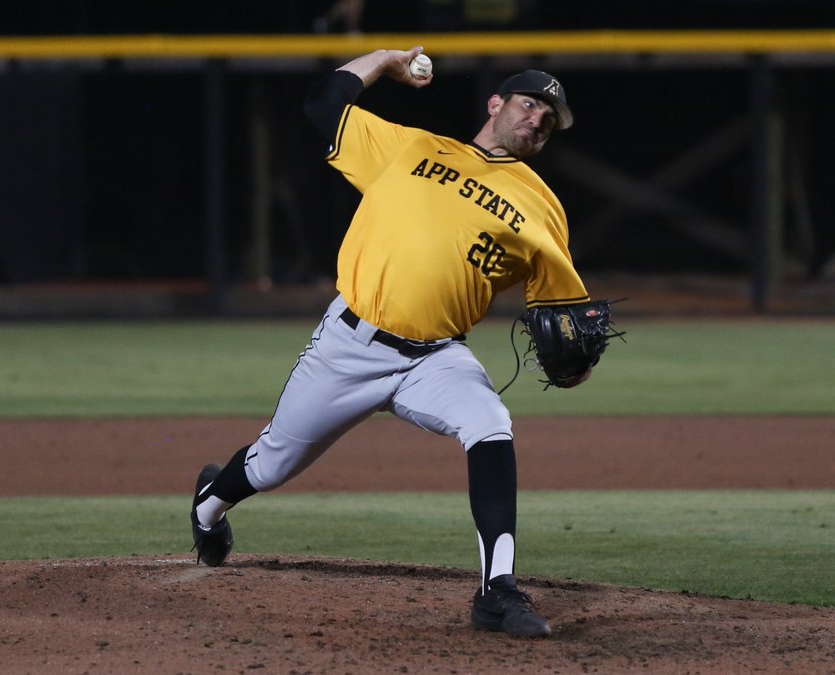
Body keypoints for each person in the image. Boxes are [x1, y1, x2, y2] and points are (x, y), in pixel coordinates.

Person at [190, 45, 596, 638]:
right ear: (496, 103)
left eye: (549, 120)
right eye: (530, 104)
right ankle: (208, 506)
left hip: (437, 357)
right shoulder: (411, 147)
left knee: (490, 422)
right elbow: (322, 103)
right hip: (348, 346)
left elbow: (561, 311)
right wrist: (382, 59)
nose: (537, 120)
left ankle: (497, 589)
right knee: (272, 463)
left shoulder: (543, 207)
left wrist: (576, 362)